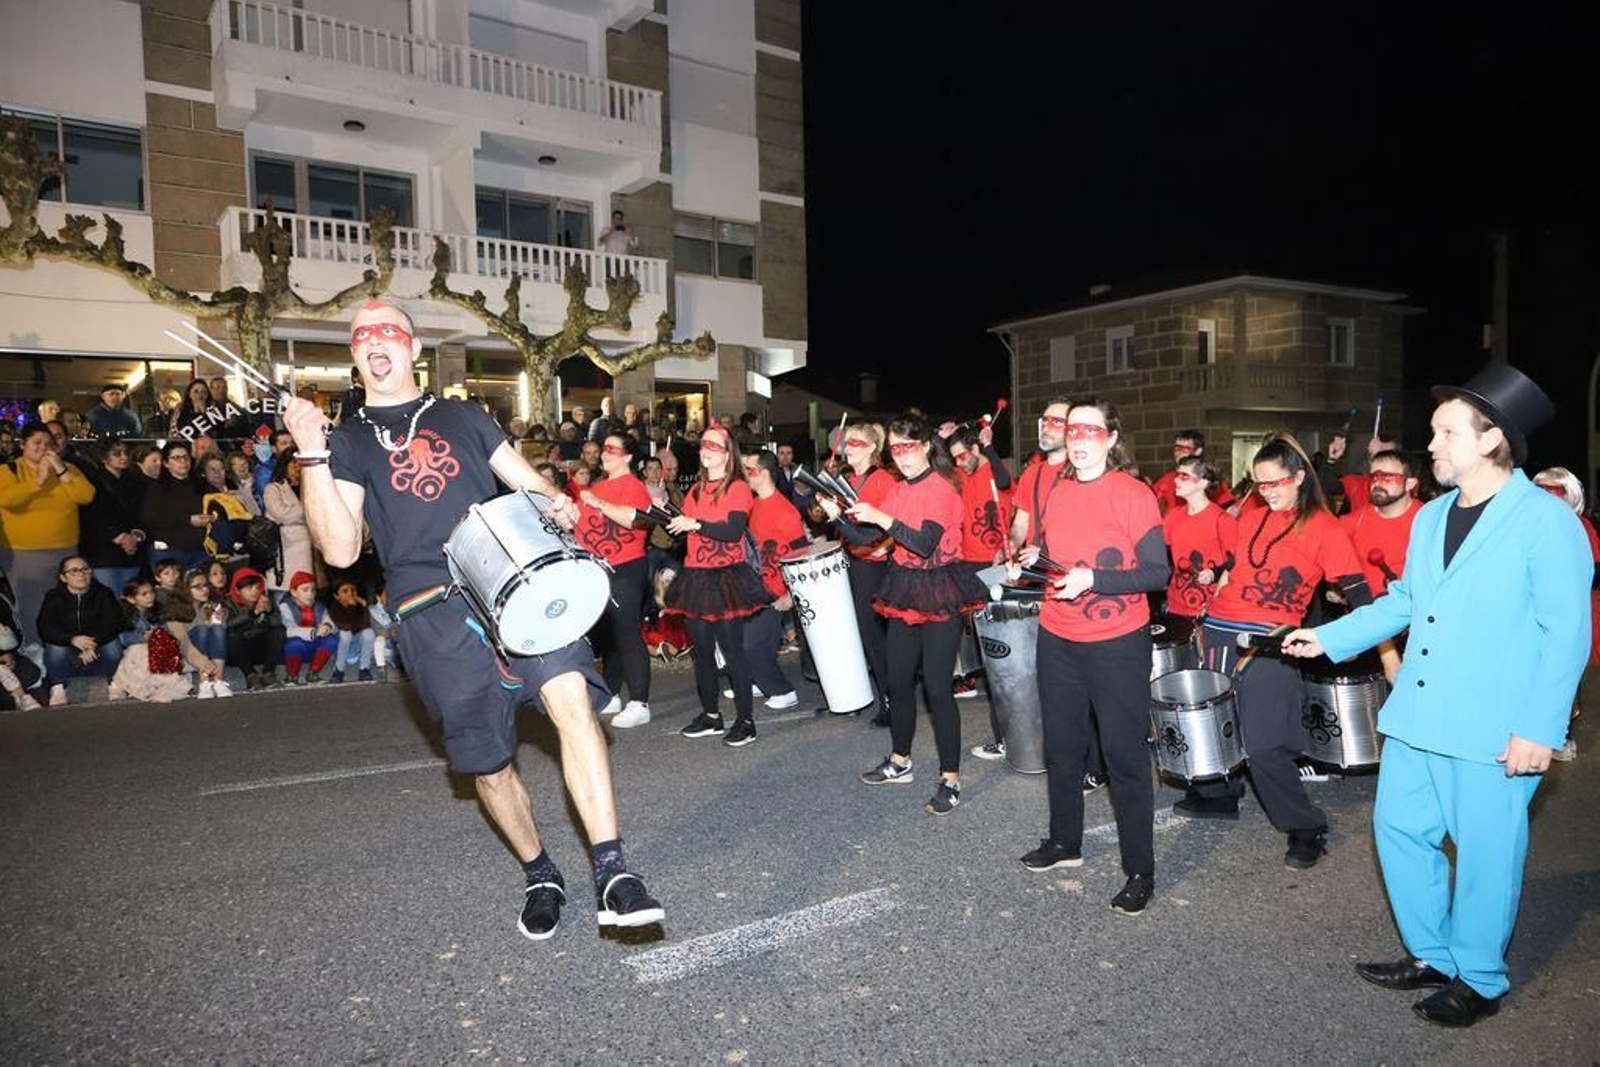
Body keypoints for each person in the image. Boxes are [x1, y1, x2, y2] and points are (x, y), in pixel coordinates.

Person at [287, 299, 664, 939]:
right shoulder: (345, 441)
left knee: (571, 698)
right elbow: (341, 550)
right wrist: (311, 455)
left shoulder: (462, 415)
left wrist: (559, 503)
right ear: (354, 354)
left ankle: (613, 872)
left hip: (507, 582)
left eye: (388, 331)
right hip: (428, 614)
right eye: (362, 335)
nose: (375, 341)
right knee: (489, 766)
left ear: (412, 347)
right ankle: (541, 872)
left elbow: (527, 483)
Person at [1283, 364, 1586, 1028]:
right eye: (1434, 431)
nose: (1433, 445)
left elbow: (1568, 633)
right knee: (1398, 831)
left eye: (1447, 433)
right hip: (1419, 713)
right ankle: (1433, 954)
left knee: (1485, 856)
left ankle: (1479, 976)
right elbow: (1406, 601)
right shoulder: (1432, 516)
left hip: (1494, 726)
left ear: (1492, 438)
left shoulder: (1544, 521)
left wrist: (1540, 727)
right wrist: (1328, 636)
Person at [1177, 433, 1371, 870]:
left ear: (1299, 477)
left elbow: (1361, 595)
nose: (1266, 492)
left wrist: (1367, 644)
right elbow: (1237, 565)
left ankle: (1305, 826)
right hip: (1218, 632)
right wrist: (1218, 583)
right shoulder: (1251, 518)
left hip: (1270, 643)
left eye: (1275, 483)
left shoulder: (1324, 527)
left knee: (1265, 746)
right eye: (1260, 484)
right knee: (1215, 724)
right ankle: (1220, 794)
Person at [1015, 398, 1169, 914]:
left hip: (1116, 641)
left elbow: (1157, 572)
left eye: (1091, 430)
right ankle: (1065, 842)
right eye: (1072, 429)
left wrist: (1094, 579)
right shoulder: (1057, 490)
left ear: (1111, 439)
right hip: (1058, 634)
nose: (1079, 439)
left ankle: (1140, 871)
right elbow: (1057, 555)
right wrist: (1035, 561)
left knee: (1124, 757)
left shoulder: (1134, 494)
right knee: (1062, 748)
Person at [826, 411, 986, 814]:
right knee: (898, 681)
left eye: (908, 447)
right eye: (895, 449)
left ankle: (950, 778)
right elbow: (867, 537)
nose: (902, 455)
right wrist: (837, 516)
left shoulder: (942, 489)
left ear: (926, 447)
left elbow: (924, 543)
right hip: (906, 588)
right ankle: (900, 760)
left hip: (940, 587)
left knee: (937, 687)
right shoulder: (899, 489)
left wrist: (880, 516)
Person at [662, 423, 773, 747]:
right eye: (703, 444)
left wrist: (694, 523)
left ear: (727, 454)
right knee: (702, 653)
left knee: (733, 652)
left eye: (713, 445)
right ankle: (711, 715)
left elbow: (732, 531)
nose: (705, 450)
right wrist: (669, 519)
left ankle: (746, 721)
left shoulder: (738, 487)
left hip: (726, 577)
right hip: (696, 575)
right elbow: (686, 533)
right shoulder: (697, 489)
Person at [575, 433, 654, 728]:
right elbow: (581, 528)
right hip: (598, 569)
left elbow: (636, 520)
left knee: (628, 633)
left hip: (626, 566)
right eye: (604, 448)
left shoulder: (634, 486)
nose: (605, 453)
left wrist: (597, 502)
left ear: (628, 457)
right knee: (609, 635)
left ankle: (640, 702)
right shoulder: (597, 487)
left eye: (612, 449)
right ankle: (611, 693)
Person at [828, 422, 898, 726]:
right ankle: (865, 694)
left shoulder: (882, 479)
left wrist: (887, 544)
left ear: (872, 448)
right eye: (848, 442)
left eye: (856, 442)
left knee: (875, 636)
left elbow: (896, 521)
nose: (848, 447)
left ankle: (891, 700)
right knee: (859, 634)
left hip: (873, 564)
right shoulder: (847, 479)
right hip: (852, 560)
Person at [0, 425, 97, 636]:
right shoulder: (8, 470)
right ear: (22, 444)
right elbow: (7, 499)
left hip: (66, 550)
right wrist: (39, 480)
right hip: (23, 552)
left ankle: (61, 645)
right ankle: (31, 646)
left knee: (65, 603)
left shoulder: (68, 468)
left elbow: (86, 496)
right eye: (37, 442)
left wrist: (61, 470)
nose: (43, 447)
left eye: (48, 443)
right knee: (29, 604)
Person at [1530, 465, 1596, 761]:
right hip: (1528, 616)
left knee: (1562, 674)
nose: (1546, 497)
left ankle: (1561, 734)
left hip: (1565, 616)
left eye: (1554, 491)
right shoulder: (1524, 524)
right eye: (1540, 490)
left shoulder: (1579, 527)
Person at [1339, 448, 1421, 684]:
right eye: (1375, 476)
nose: (1378, 482)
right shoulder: (1351, 523)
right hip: (1368, 631)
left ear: (1410, 483)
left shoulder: (1428, 519)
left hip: (1417, 632)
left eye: (1388, 477)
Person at [740, 449, 807, 711]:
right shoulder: (754, 504)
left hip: (775, 590)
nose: (745, 474)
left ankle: (782, 690)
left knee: (753, 645)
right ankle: (760, 680)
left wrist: (791, 594)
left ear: (764, 473)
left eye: (749, 469)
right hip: (756, 586)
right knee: (754, 642)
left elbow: (802, 553)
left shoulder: (785, 510)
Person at [35, 555, 125, 705]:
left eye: (85, 569)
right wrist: (72, 639)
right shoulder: (54, 596)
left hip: (97, 642)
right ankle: (58, 688)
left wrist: (92, 643)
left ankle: (114, 683)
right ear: (63, 577)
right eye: (74, 571)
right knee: (55, 649)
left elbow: (113, 623)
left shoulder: (103, 593)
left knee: (113, 648)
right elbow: (45, 626)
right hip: (68, 643)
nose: (81, 574)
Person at [1161, 453, 1237, 619]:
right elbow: (1165, 559)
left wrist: (1214, 573)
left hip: (1210, 609)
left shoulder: (1223, 521)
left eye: (1184, 476)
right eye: (1177, 475)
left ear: (1203, 482)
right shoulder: (1172, 516)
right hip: (1176, 606)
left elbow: (1235, 565)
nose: (1176, 480)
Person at [79, 440, 148, 595]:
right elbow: (91, 517)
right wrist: (118, 536)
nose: (123, 457)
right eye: (117, 454)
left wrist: (135, 536)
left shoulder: (136, 482)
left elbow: (143, 514)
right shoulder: (93, 481)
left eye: (126, 453)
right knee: (108, 598)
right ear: (104, 457)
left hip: (132, 551)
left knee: (131, 599)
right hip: (103, 552)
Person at [139, 441, 209, 572]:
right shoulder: (157, 489)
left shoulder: (202, 486)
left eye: (186, 457)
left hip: (200, 550)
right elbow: (151, 518)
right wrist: (188, 519)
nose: (183, 461)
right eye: (176, 458)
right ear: (166, 463)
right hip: (169, 551)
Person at [167, 570, 232, 697]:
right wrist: (204, 664)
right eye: (197, 586)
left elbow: (219, 635)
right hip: (186, 653)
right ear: (186, 589)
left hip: (209, 654)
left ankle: (218, 681)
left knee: (218, 629)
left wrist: (221, 617)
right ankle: (204, 682)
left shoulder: (211, 605)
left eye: (206, 585)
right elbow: (182, 641)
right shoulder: (175, 609)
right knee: (202, 629)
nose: (204, 590)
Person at [224, 567, 285, 689]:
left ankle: (268, 673)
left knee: (278, 631)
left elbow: (277, 624)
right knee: (232, 635)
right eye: (249, 588)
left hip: (261, 648)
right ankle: (250, 675)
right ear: (237, 590)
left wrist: (270, 611)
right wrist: (254, 613)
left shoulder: (266, 599)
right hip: (240, 652)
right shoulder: (228, 602)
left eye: (257, 587)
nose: (254, 591)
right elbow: (228, 625)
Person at [1150, 429, 1236, 514]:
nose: (1179, 453)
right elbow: (1149, 499)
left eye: (1184, 449)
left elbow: (1227, 506)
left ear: (1198, 451)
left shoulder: (1208, 477)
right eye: (1177, 448)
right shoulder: (1167, 478)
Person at [278, 571, 337, 684]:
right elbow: (289, 628)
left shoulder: (319, 605)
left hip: (313, 646)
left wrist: (327, 626)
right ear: (294, 592)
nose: (310, 594)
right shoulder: (285, 606)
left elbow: (328, 619)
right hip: (292, 650)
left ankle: (313, 673)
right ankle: (292, 675)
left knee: (331, 640)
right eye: (305, 590)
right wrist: (313, 632)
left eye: (313, 590)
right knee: (295, 644)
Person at [263, 449, 312, 586]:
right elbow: (282, 515)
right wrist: (310, 510)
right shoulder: (273, 489)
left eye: (301, 463)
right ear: (284, 465)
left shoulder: (311, 488)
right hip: (288, 550)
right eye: (294, 462)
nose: (298, 466)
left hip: (312, 551)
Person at [326, 579, 377, 683]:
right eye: (345, 591)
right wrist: (351, 608)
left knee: (369, 633)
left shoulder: (358, 606)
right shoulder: (334, 609)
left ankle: (364, 669)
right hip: (339, 649)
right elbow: (346, 626)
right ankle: (339, 671)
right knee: (345, 634)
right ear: (336, 596)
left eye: (353, 590)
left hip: (353, 648)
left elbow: (365, 625)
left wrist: (364, 606)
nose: (350, 593)